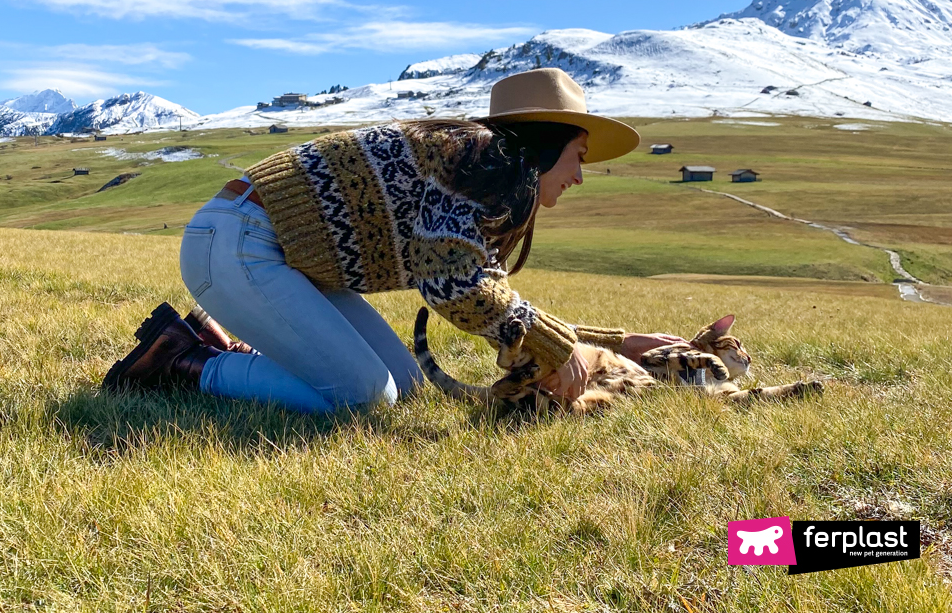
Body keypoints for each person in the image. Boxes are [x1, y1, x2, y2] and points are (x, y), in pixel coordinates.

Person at [102, 68, 683, 412]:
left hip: (274, 251)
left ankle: (218, 338)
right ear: (545, 143)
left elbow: (481, 285)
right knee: (364, 397)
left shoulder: (480, 160)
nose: (579, 176)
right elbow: (456, 286)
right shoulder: (481, 161)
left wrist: (616, 341)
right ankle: (187, 360)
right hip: (238, 244)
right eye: (577, 156)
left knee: (404, 386)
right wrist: (559, 349)